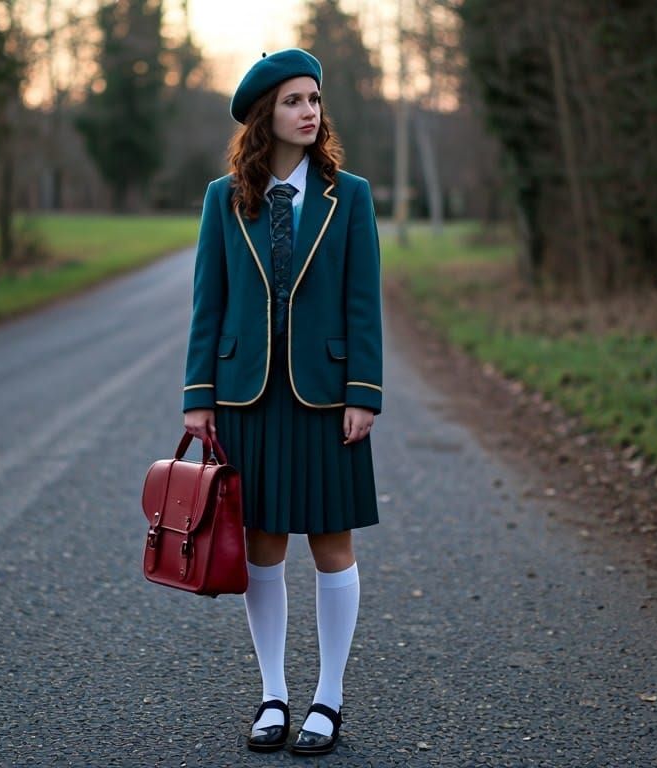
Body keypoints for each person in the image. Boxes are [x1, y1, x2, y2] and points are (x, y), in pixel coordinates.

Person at [181, 48, 382, 756]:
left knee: (332, 543)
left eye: (315, 100)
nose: (309, 111)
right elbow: (210, 301)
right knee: (260, 545)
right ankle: (273, 694)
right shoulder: (223, 196)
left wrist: (364, 392)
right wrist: (197, 397)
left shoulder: (348, 195)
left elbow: (364, 301)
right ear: (266, 113)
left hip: (326, 397)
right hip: (246, 394)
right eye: (295, 100)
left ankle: (328, 699)